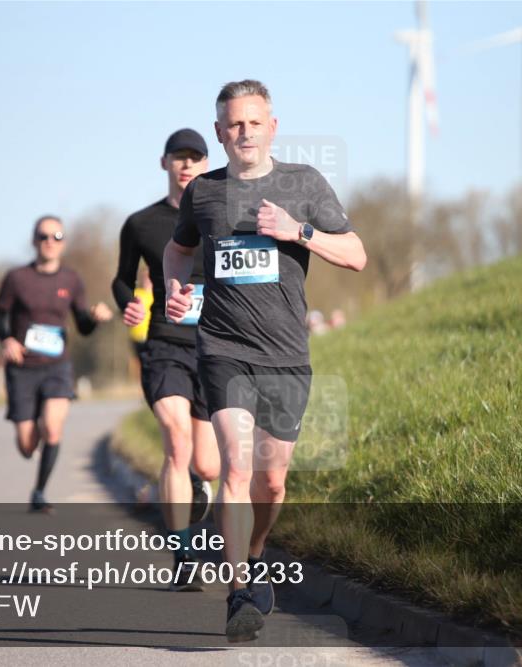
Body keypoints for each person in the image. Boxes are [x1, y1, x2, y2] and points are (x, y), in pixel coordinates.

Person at [164, 80, 367, 641]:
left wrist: (299, 231)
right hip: (223, 349)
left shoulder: (304, 184)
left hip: (286, 355)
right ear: (220, 133)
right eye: (234, 123)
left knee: (271, 482)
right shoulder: (203, 194)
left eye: (255, 121)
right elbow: (178, 250)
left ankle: (253, 554)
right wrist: (175, 288)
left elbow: (356, 254)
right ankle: (236, 593)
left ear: (271, 127)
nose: (245, 131)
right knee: (234, 467)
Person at [112, 129, 220, 591]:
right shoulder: (140, 224)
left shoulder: (220, 216)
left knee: (210, 466)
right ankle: (183, 551)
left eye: (195, 158)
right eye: (179, 158)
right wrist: (128, 304)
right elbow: (121, 280)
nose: (187, 165)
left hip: (215, 347)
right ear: (165, 164)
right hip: (164, 346)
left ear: (205, 164)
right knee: (176, 443)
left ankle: (197, 490)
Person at [0, 215, 112, 513]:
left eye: (56, 237)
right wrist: (7, 339)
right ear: (34, 241)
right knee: (27, 445)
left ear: (63, 243)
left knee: (53, 429)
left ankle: (40, 491)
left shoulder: (71, 280)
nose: (49, 242)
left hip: (57, 366)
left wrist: (94, 319)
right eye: (43, 236)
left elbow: (82, 325)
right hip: (22, 369)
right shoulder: (17, 278)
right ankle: (32, 446)